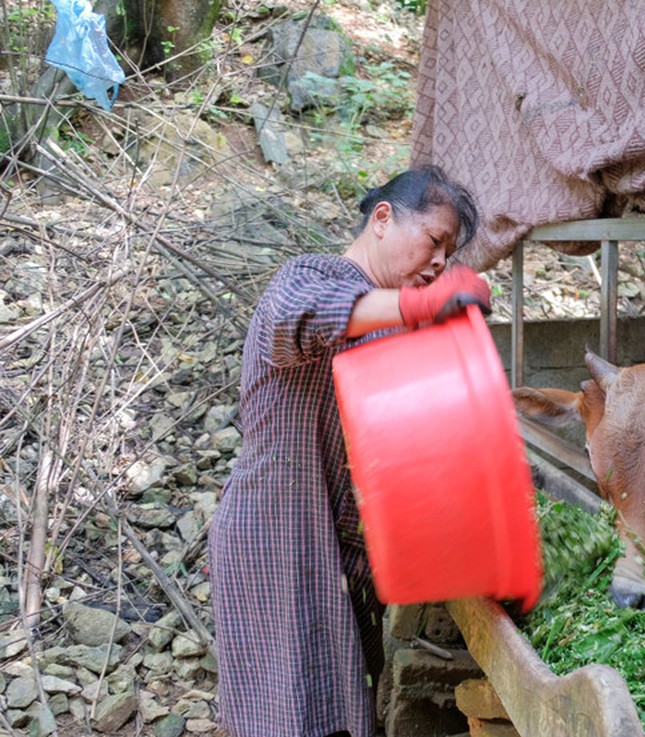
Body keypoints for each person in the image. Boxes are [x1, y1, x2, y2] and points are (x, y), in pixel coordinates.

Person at [208, 165, 492, 737]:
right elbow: (301, 322)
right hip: (277, 537)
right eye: (434, 240)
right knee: (282, 716)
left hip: (347, 554)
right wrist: (420, 309)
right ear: (383, 218)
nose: (439, 262)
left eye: (449, 253)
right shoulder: (308, 277)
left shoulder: (391, 322)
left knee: (341, 714)